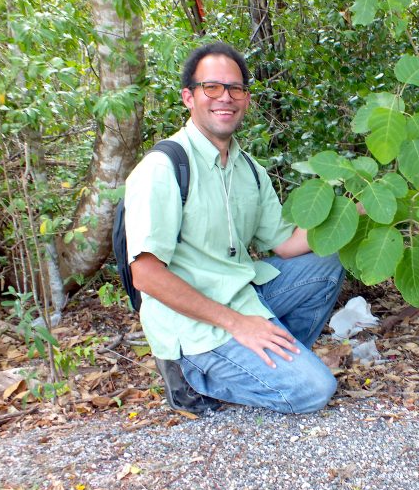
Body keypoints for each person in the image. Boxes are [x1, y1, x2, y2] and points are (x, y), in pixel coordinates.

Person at [124, 42, 344, 414]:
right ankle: (189, 378)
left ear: (246, 99)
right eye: (211, 87)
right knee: (313, 391)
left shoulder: (250, 170)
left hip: (242, 297)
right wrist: (238, 325)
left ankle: (270, 356)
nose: (225, 97)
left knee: (328, 261)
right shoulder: (163, 167)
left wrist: (354, 213)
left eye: (235, 88)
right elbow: (145, 275)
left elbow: (287, 244)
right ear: (188, 97)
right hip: (194, 322)